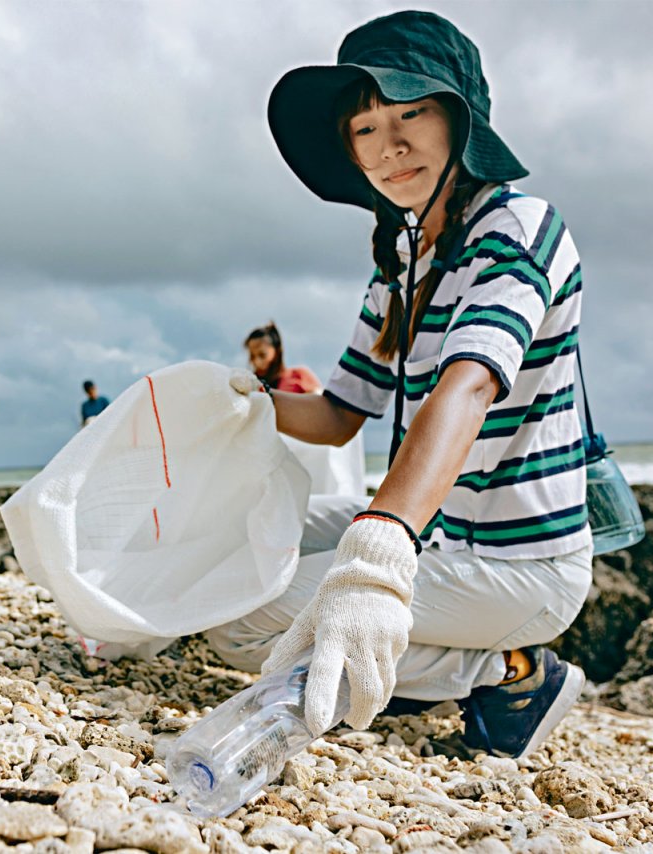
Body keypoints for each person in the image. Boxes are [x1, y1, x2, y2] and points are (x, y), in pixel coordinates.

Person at [207, 11, 592, 760]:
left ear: (461, 119)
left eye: (412, 113)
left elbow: (471, 384)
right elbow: (338, 414)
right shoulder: (401, 261)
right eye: (365, 128)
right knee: (242, 542)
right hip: (440, 527)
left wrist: (379, 549)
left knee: (240, 619)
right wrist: (235, 400)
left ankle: (507, 672)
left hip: (518, 562)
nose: (391, 147)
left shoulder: (517, 228)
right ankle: (425, 665)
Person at [245, 322, 322, 394]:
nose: (256, 362)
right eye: (252, 356)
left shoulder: (298, 376)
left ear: (277, 352)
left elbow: (320, 400)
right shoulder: (249, 385)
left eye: (262, 355)